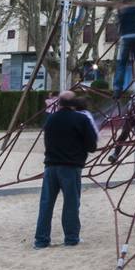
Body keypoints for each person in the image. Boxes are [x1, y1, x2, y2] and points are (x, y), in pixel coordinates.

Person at [34, 90, 98, 248]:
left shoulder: (50, 119)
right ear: (74, 104)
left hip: (51, 166)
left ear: (59, 103)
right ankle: (71, 238)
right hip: (70, 166)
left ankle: (41, 240)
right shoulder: (81, 119)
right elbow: (91, 146)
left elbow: (47, 141)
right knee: (71, 203)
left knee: (46, 204)